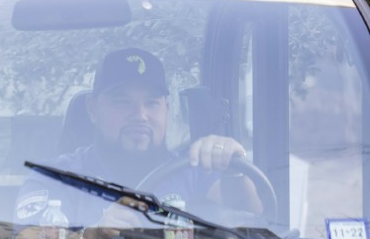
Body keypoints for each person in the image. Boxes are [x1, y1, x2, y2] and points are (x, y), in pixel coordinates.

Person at [16, 47, 260, 229]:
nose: (140, 115)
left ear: (166, 108)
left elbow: (254, 222)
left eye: (151, 103)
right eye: (122, 102)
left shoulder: (195, 170)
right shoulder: (54, 179)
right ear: (92, 109)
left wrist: (233, 167)